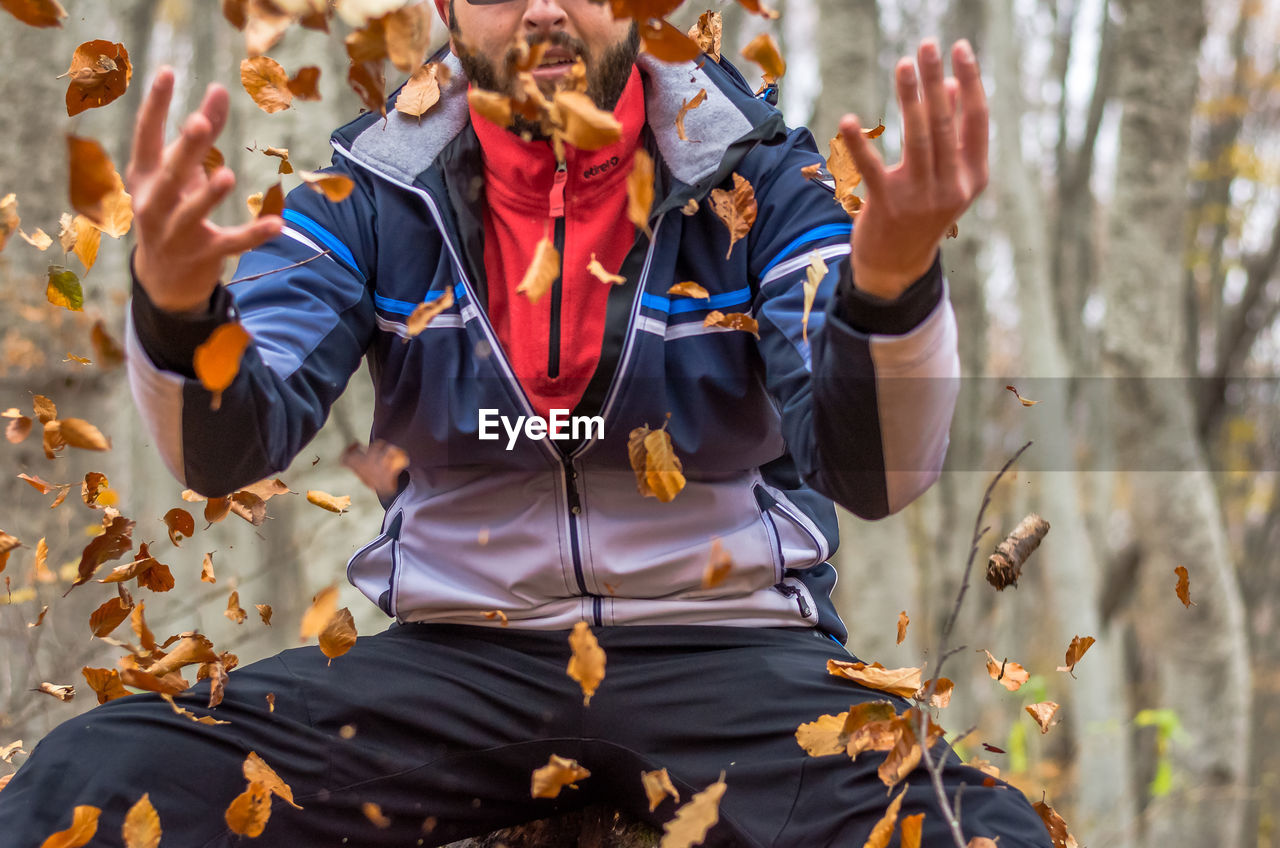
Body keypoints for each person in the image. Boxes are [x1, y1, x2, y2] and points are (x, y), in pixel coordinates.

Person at [0, 1, 1054, 845]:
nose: (546, 15)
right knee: (95, 778)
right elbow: (230, 445)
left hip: (734, 654)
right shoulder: (364, 190)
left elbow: (874, 473)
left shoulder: (765, 177)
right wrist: (180, 307)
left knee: (973, 829)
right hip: (458, 659)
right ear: (449, 11)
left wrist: (891, 284)